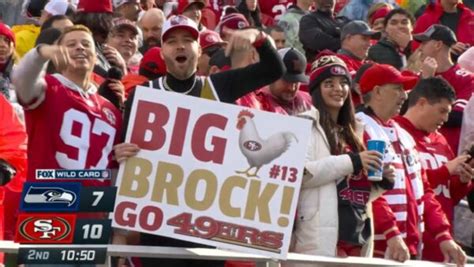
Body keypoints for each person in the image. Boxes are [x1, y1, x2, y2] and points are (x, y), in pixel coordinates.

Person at [114, 15, 284, 267]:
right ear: (161, 53)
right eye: (172, 41)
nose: (180, 46)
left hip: (206, 228)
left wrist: (258, 37)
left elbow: (274, 69)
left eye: (187, 40)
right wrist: (120, 153)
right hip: (158, 227)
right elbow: (125, 153)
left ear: (199, 49)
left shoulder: (218, 86)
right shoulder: (144, 94)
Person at [356, 63, 467, 265]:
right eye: (397, 89)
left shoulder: (404, 135)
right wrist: (392, 233)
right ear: (377, 91)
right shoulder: (361, 128)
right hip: (378, 247)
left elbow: (424, 192)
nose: (404, 96)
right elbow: (370, 190)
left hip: (410, 246)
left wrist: (444, 236)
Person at [292, 54, 392, 260]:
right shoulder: (304, 124)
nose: (338, 89)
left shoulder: (355, 131)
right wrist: (353, 161)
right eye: (329, 83)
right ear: (316, 90)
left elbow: (349, 192)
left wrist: (380, 185)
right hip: (317, 240)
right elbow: (301, 176)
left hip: (355, 240)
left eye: (344, 83)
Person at [12, 25, 123, 184]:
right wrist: (41, 53)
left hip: (93, 203)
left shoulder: (111, 110)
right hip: (47, 200)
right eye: (71, 45)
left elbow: (110, 173)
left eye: (86, 44)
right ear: (58, 55)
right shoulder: (47, 88)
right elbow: (21, 79)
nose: (79, 47)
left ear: (96, 57)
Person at [395, 77, 474, 262]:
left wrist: (462, 181)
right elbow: (405, 187)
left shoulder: (440, 141)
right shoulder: (396, 132)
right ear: (422, 103)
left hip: (442, 243)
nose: (445, 119)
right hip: (409, 244)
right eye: (442, 111)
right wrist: (445, 171)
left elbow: (449, 197)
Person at [414, 24, 474, 153]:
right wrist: (425, 79)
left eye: (424, 43)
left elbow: (457, 117)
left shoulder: (466, 78)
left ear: (438, 45)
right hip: (420, 149)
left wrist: (429, 82)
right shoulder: (422, 76)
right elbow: (410, 113)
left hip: (450, 152)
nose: (420, 48)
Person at [337, 21, 380, 106]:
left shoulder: (368, 63)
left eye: (370, 40)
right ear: (348, 38)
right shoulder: (338, 61)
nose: (369, 44)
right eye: (364, 39)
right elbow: (356, 81)